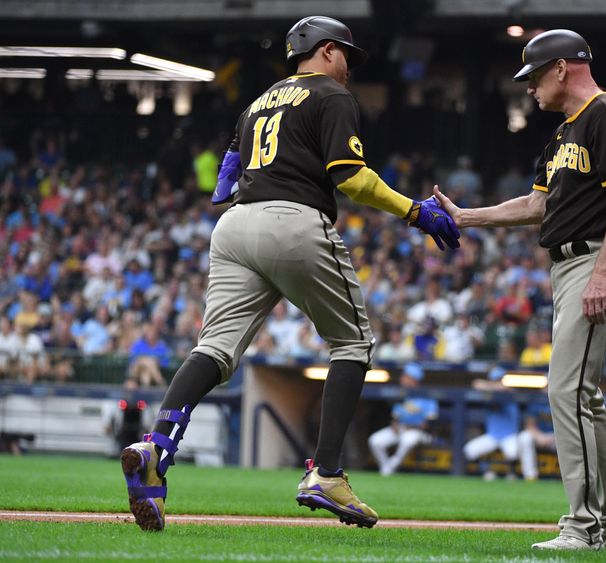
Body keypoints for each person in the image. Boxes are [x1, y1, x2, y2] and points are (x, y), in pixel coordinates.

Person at [119, 15, 460, 532]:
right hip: (294, 221)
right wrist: (413, 211)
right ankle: (326, 473)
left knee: (214, 350)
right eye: (346, 54)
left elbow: (223, 181)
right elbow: (352, 178)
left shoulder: (257, 102)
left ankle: (156, 449)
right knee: (352, 344)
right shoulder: (331, 95)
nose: (349, 67)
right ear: (325, 51)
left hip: (234, 227)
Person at [435, 29, 606, 550]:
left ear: (560, 68)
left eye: (532, 76)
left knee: (567, 390)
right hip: (567, 265)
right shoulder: (561, 135)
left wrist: (601, 270)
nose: (528, 87)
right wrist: (469, 217)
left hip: (595, 259)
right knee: (582, 396)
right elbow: (538, 206)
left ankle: (585, 524)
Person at [463, 367, 542, 481]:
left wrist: (494, 386)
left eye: (500, 379)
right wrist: (492, 386)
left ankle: (511, 473)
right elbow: (476, 384)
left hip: (509, 435)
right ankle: (487, 471)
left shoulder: (510, 391)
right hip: (493, 436)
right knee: (469, 450)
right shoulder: (488, 394)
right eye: (495, 379)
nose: (498, 381)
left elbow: (504, 387)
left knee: (512, 452)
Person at [367, 363, 438, 476]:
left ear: (413, 379)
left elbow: (430, 422)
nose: (402, 379)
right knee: (375, 441)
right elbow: (396, 415)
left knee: (407, 440)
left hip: (418, 432)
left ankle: (390, 468)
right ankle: (386, 467)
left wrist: (413, 426)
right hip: (400, 429)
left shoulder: (426, 396)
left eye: (405, 376)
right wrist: (394, 423)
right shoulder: (402, 395)